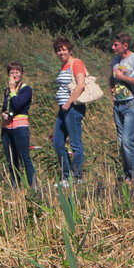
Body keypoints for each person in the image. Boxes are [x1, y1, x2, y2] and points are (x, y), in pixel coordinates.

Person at [109, 32, 134, 183]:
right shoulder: (115, 61)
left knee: (128, 140)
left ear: (125, 45)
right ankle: (129, 174)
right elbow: (111, 77)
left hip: (131, 103)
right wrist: (112, 87)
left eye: (116, 45)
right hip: (118, 103)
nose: (113, 47)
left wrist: (122, 78)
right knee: (121, 141)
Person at [53, 36, 87, 185]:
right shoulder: (64, 66)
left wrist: (68, 102)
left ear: (69, 49)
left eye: (63, 49)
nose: (61, 52)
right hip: (63, 109)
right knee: (57, 142)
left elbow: (80, 85)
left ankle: (77, 176)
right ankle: (66, 175)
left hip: (73, 108)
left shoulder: (76, 63)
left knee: (75, 143)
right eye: (58, 50)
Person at [0, 61, 36, 187]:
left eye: (17, 72)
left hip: (20, 127)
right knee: (11, 160)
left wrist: (13, 89)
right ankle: (15, 186)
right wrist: (3, 114)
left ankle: (32, 186)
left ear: (21, 74)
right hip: (6, 128)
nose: (14, 75)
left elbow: (17, 104)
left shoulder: (26, 89)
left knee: (24, 158)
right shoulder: (6, 91)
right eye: (11, 73)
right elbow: (6, 107)